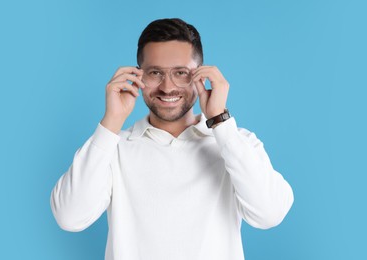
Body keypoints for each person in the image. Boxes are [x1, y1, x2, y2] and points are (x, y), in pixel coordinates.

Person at [50, 18, 294, 260]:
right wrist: (112, 121)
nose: (167, 87)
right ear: (138, 76)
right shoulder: (113, 148)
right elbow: (69, 217)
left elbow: (269, 213)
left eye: (181, 73)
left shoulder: (235, 142)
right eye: (155, 73)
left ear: (201, 75)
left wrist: (220, 121)